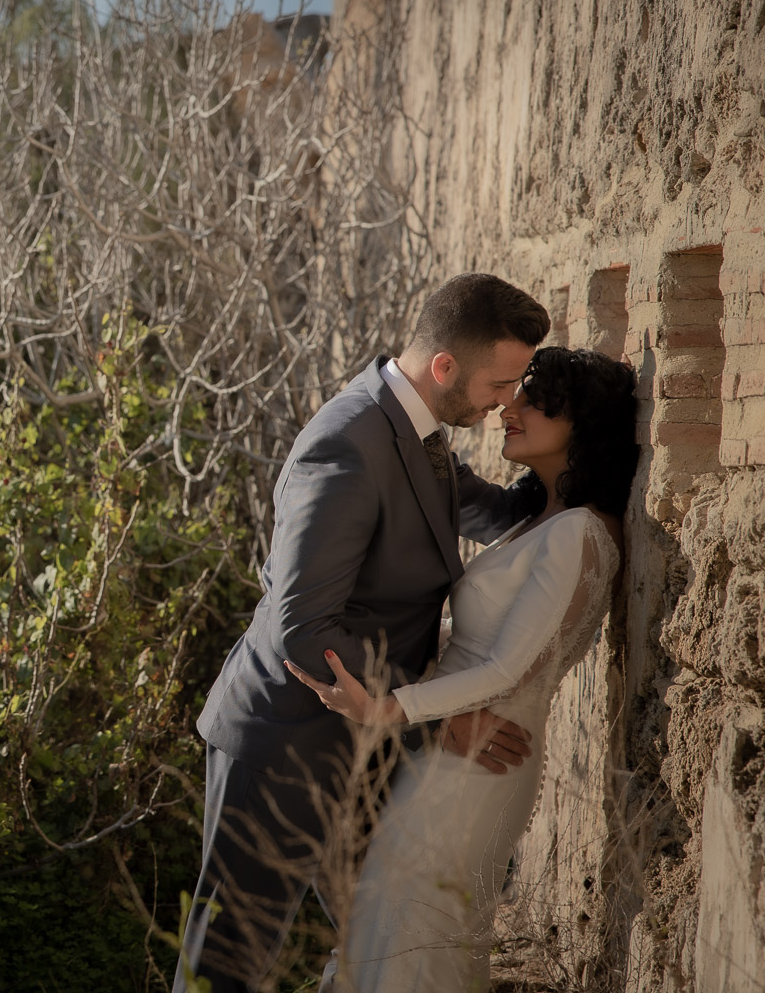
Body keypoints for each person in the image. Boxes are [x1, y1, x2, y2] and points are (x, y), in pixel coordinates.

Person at [173, 273, 553, 993]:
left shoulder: (420, 429)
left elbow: (501, 514)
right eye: (500, 385)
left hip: (360, 747)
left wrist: (575, 449)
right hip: (282, 746)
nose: (507, 400)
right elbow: (301, 627)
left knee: (381, 937)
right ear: (445, 367)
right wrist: (427, 714)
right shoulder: (347, 445)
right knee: (224, 967)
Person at [285, 346, 638, 991]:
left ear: (583, 424)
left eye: (536, 400)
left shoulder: (579, 533)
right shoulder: (542, 521)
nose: (511, 406)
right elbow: (477, 637)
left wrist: (392, 708)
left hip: (482, 758)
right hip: (451, 747)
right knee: (393, 923)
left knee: (417, 935)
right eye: (514, 392)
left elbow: (509, 667)